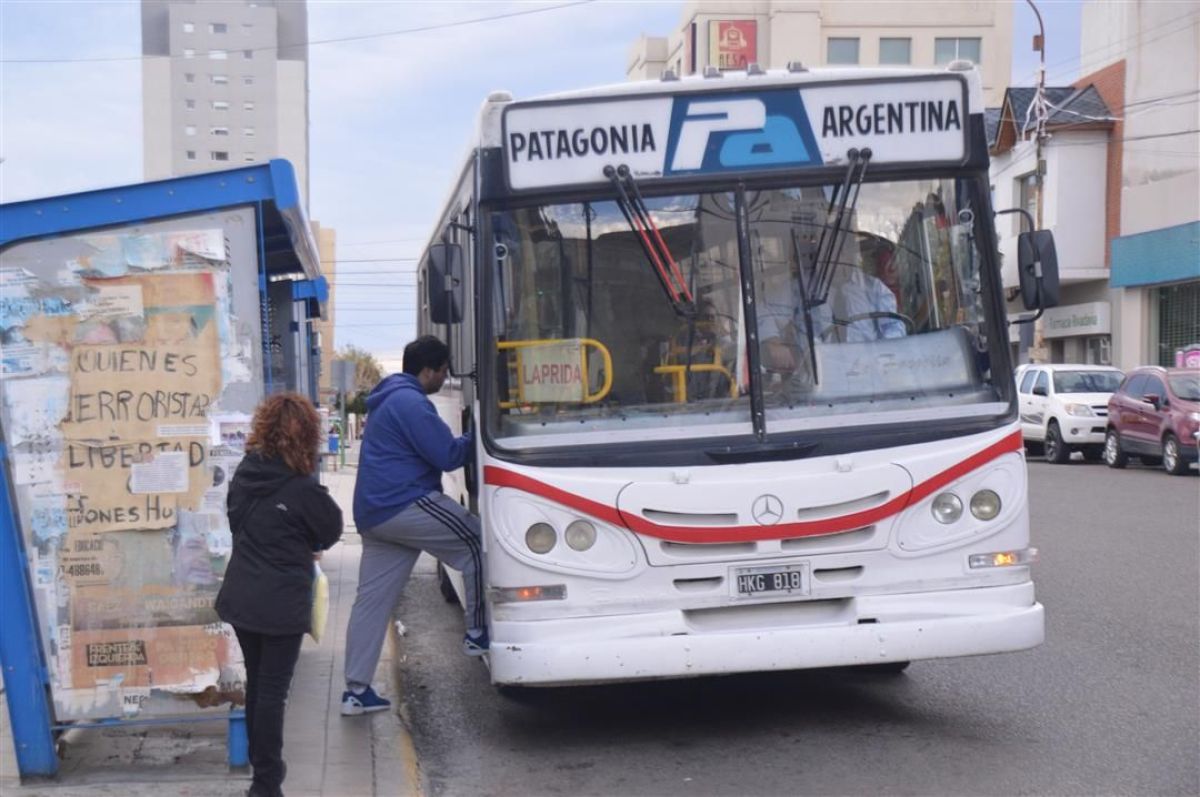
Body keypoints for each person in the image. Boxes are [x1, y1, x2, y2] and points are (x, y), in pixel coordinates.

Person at [341, 335, 485, 717]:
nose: (445, 378)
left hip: (373, 515)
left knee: (371, 604)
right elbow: (448, 455)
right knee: (477, 543)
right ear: (428, 371)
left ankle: (356, 691)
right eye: (444, 371)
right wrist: (481, 433)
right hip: (404, 503)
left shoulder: (388, 398)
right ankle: (478, 633)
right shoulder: (411, 402)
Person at [215, 392, 343, 797]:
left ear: (264, 428)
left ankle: (264, 773)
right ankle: (266, 783)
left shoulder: (244, 474)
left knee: (258, 685)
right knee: (272, 691)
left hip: (242, 597)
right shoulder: (302, 488)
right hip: (280, 604)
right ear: (307, 436)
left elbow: (235, 522)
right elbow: (331, 530)